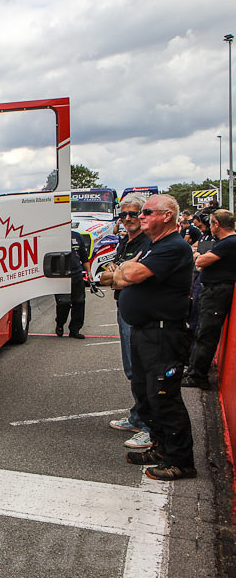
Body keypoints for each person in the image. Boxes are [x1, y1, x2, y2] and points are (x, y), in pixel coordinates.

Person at [114, 194, 196, 481]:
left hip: (163, 333)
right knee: (146, 394)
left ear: (167, 216)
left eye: (147, 211)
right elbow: (117, 276)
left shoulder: (174, 246)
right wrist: (125, 272)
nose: (140, 216)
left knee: (164, 397)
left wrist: (125, 271)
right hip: (145, 332)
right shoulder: (154, 245)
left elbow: (129, 274)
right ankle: (161, 448)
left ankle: (181, 461)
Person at [97, 195, 152, 449]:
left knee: (143, 370)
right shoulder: (125, 241)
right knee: (132, 368)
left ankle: (150, 426)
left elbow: (122, 277)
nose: (128, 219)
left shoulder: (148, 242)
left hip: (142, 313)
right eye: (124, 215)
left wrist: (117, 275)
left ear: (144, 215)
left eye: (134, 214)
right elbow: (108, 276)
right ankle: (138, 416)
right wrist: (118, 274)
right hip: (125, 309)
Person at [183, 209, 236, 389]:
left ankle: (198, 375)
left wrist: (199, 256)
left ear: (216, 224)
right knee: (201, 331)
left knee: (206, 333)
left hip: (216, 292)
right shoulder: (225, 242)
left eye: (211, 223)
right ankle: (194, 370)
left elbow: (201, 261)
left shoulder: (228, 243)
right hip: (214, 290)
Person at [54, 229, 90, 339]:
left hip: (76, 273)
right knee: (63, 303)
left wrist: (89, 272)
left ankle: (74, 330)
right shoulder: (54, 236)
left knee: (79, 302)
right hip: (60, 275)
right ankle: (60, 323)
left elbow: (84, 257)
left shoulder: (77, 236)